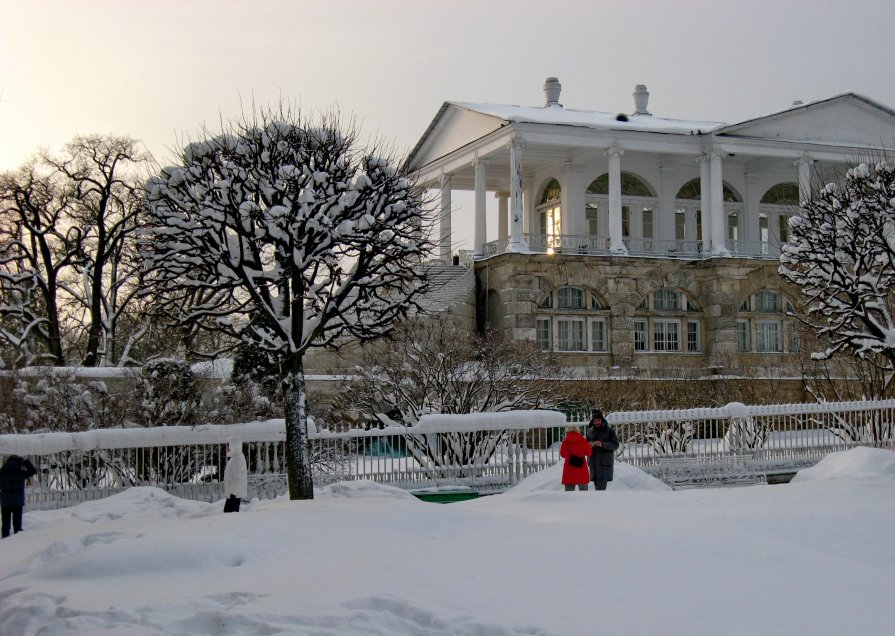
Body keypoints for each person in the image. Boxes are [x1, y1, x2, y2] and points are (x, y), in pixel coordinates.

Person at [0, 454, 38, 538]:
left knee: (5, 523)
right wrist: (25, 462)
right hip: (18, 501)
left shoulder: (2, 473)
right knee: (17, 524)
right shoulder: (20, 473)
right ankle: (18, 540)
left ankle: (5, 538)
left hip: (5, 501)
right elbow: (32, 471)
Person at [585, 409, 619, 491]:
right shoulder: (590, 432)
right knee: (598, 488)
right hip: (593, 463)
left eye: (598, 420)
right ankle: (600, 502)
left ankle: (600, 502)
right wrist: (589, 445)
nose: (597, 422)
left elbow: (615, 445)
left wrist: (603, 444)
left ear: (602, 420)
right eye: (595, 421)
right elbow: (585, 447)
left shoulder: (610, 431)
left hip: (604, 464)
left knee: (601, 489)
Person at [559, 425, 592, 491]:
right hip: (581, 468)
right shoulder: (583, 440)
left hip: (569, 469)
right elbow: (589, 453)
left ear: (567, 431)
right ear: (578, 431)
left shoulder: (565, 442)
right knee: (584, 494)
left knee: (569, 494)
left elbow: (563, 455)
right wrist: (589, 446)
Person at [223, 436, 248, 513]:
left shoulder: (237, 459)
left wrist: (233, 493)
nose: (227, 448)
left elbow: (238, 477)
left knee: (230, 514)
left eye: (228, 446)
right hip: (232, 493)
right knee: (228, 514)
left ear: (233, 446)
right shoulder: (235, 458)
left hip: (234, 494)